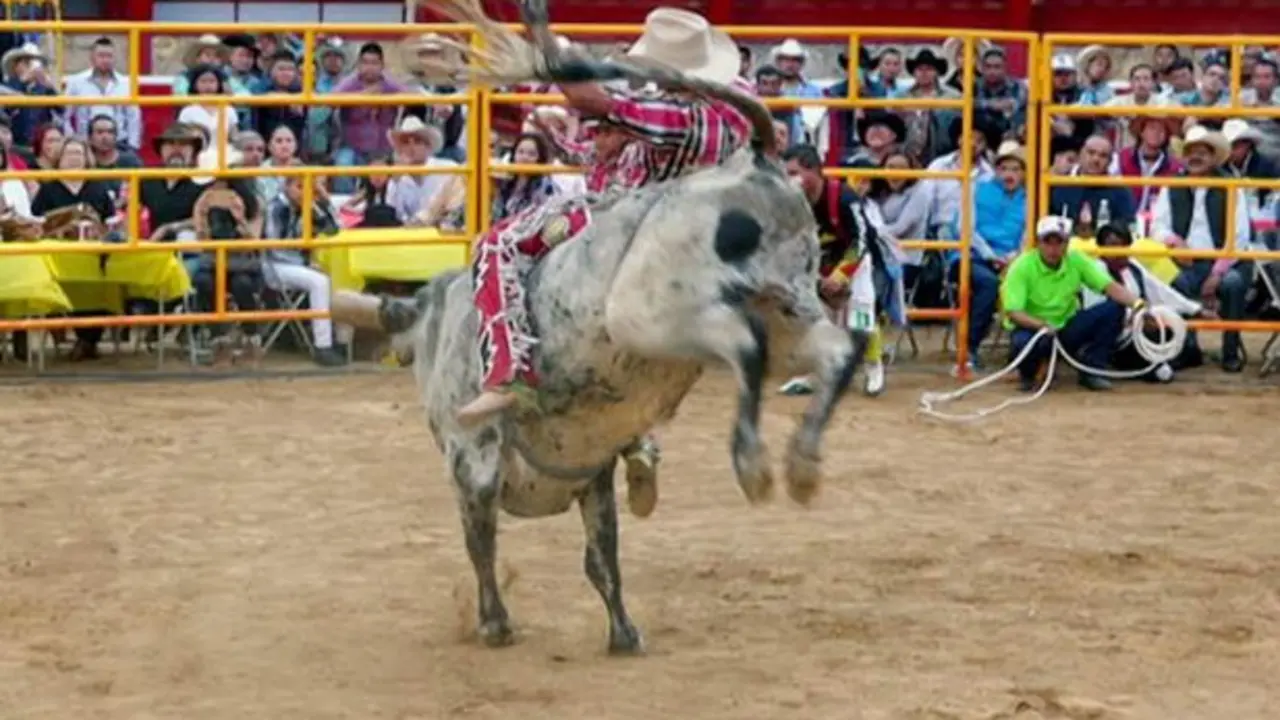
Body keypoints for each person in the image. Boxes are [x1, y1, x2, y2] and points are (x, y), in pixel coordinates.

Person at [456, 7, 753, 426]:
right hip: (683, 223)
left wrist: (543, 44)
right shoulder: (734, 105)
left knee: (496, 243)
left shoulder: (684, 118)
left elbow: (592, 99)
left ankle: (508, 373)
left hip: (627, 218)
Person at [1000, 216, 1148, 392]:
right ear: (1039, 243)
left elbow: (1109, 286)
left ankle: (1092, 369)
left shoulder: (1076, 261)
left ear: (1067, 243)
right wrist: (1041, 325)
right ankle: (1028, 374)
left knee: (1115, 309)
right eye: (1048, 242)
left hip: (1065, 327)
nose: (1053, 248)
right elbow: (1013, 312)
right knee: (1022, 341)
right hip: (1034, 329)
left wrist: (1138, 304)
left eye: (1059, 242)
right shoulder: (1022, 266)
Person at [1082, 223, 1216, 383]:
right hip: (1115, 336)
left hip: (1138, 331)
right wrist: (1136, 320)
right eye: (1112, 245)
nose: (1117, 250)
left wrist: (1196, 309)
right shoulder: (1095, 270)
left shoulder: (1133, 267)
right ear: (1101, 247)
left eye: (1122, 244)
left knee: (1177, 340)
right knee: (1162, 372)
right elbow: (1096, 310)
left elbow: (1160, 291)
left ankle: (1153, 362)